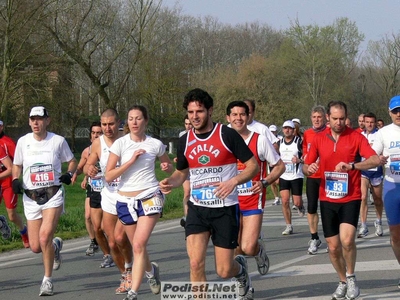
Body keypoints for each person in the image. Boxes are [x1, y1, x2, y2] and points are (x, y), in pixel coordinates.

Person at [160, 88, 259, 300]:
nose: (194, 116)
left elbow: (253, 167)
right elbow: (183, 172)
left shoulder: (227, 134)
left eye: (200, 111)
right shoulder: (185, 140)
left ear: (210, 111)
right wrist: (171, 181)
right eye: (190, 112)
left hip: (225, 209)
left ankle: (240, 271)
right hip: (197, 208)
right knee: (195, 263)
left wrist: (233, 181)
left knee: (224, 270)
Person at [303, 101, 380, 300]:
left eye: (342, 118)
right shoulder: (319, 139)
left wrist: (352, 166)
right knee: (334, 247)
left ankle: (352, 277)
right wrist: (309, 169)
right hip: (327, 197)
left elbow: (373, 159)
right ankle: (342, 280)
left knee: (347, 241)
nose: (339, 122)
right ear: (328, 117)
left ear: (347, 117)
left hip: (351, 196)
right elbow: (306, 165)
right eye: (335, 118)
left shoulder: (355, 137)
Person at [105, 105, 173, 300]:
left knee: (139, 244)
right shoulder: (120, 144)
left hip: (150, 195)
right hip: (125, 200)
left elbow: (170, 169)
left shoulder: (155, 144)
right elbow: (109, 176)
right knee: (137, 245)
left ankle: (133, 291)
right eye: (131, 119)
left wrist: (167, 167)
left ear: (146, 121)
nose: (134, 122)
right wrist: (130, 162)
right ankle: (151, 272)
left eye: (138, 118)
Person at [11, 106, 77, 296]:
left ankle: (47, 280)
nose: (36, 123)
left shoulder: (57, 141)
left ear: (48, 120)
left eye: (40, 119)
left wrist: (69, 173)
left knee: (44, 236)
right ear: (29, 121)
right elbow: (17, 165)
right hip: (31, 197)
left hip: (53, 194)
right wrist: (15, 179)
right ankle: (54, 246)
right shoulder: (23, 142)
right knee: (35, 246)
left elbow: (72, 161)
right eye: (33, 119)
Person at [226, 101, 285, 280]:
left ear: (248, 116)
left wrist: (265, 182)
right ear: (228, 118)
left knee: (248, 247)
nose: (238, 118)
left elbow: (279, 166)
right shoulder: (223, 139)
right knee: (235, 246)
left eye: (242, 114)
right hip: (229, 200)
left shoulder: (259, 139)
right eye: (234, 115)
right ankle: (242, 281)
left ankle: (259, 252)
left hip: (252, 198)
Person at [84, 108, 133, 295]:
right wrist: (89, 169)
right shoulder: (98, 143)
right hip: (109, 195)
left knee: (123, 239)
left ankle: (136, 268)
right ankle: (125, 274)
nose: (107, 128)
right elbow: (89, 162)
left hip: (128, 194)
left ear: (119, 123)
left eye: (111, 124)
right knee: (112, 243)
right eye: (103, 124)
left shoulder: (128, 140)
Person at [371, 95, 400, 288]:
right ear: (389, 112)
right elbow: (373, 156)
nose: (399, 114)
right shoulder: (384, 133)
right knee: (396, 235)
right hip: (391, 186)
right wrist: (378, 159)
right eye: (395, 111)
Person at [71, 121, 102, 256]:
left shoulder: (110, 148)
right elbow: (81, 167)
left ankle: (108, 241)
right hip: (93, 186)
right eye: (93, 133)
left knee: (105, 221)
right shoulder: (87, 151)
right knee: (88, 215)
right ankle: (93, 241)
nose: (96, 135)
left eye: (99, 133)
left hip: (108, 187)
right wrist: (74, 175)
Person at [0, 120, 29, 247]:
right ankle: (1, 223)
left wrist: (17, 177)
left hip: (7, 182)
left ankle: (24, 232)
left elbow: (16, 164)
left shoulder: (8, 143)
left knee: (12, 215)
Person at [302, 105, 327, 254]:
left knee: (327, 208)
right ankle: (314, 237)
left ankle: (332, 237)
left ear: (324, 118)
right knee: (311, 207)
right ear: (311, 118)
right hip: (312, 176)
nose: (317, 120)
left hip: (326, 176)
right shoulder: (307, 133)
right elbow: (306, 153)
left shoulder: (329, 132)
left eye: (319, 117)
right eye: (314, 117)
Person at [358, 112, 384, 238]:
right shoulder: (359, 135)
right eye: (367, 122)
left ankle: (378, 222)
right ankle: (363, 225)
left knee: (378, 199)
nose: (369, 124)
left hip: (376, 170)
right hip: (363, 170)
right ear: (364, 122)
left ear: (375, 123)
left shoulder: (380, 135)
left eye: (371, 122)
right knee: (363, 197)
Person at [277, 120, 305, 235]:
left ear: (294, 130)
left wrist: (300, 160)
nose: (287, 130)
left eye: (289, 128)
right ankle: (289, 226)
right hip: (284, 175)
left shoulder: (299, 142)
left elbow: (308, 156)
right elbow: (275, 159)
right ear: (283, 130)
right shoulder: (279, 143)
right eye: (285, 128)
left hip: (296, 175)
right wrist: (276, 174)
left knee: (297, 202)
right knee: (284, 201)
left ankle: (300, 206)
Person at [176, 115, 192, 227]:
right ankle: (187, 217)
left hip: (197, 168)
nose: (188, 126)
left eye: (189, 124)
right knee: (187, 192)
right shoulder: (182, 135)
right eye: (186, 124)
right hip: (186, 169)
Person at [269, 125, 282, 205]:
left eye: (274, 131)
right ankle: (276, 198)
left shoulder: (280, 139)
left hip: (279, 162)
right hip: (270, 162)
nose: (272, 133)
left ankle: (284, 194)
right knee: (272, 181)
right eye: (271, 132)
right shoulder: (266, 139)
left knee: (279, 181)